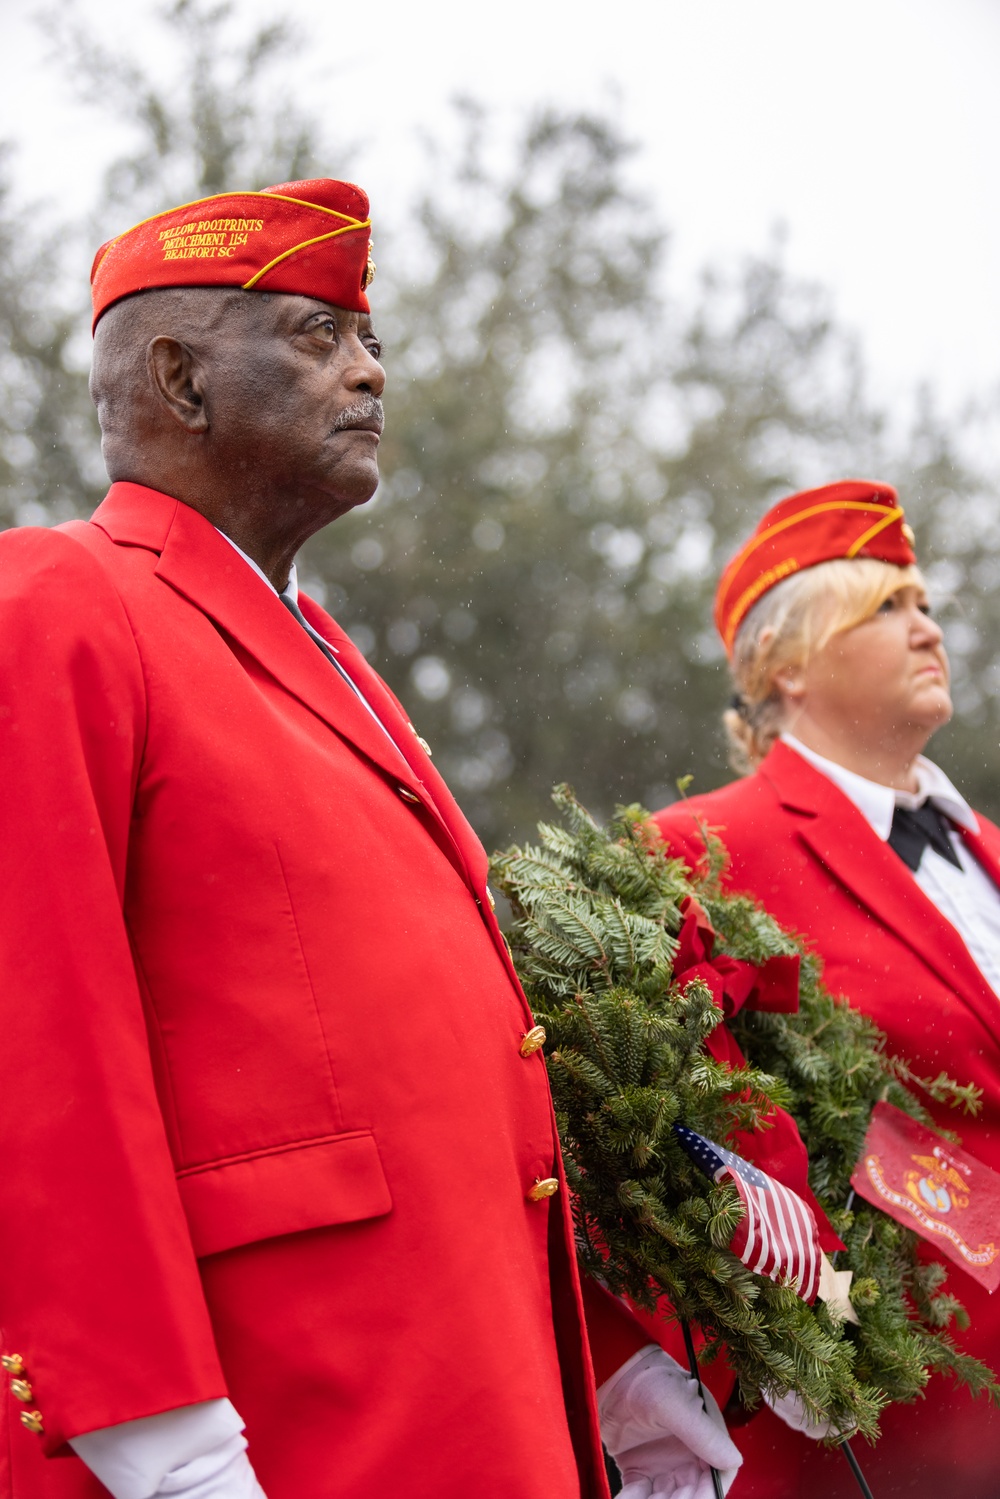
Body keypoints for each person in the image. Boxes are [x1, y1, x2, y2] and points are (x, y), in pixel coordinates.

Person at [0, 178, 742, 1499]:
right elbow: (36, 1037)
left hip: (464, 1400)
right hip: (280, 1414)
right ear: (177, 377)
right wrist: (161, 1439)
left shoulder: (330, 654)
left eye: (373, 342)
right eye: (314, 335)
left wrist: (613, 1367)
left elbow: (450, 1073)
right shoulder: (62, 598)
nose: (367, 372)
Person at [653, 480, 1000, 1498]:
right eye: (883, 607)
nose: (925, 627)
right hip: (871, 1437)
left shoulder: (989, 852)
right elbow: (683, 1145)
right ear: (786, 662)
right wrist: (825, 1335)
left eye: (925, 604)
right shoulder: (699, 853)